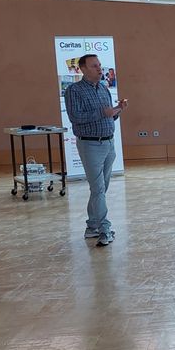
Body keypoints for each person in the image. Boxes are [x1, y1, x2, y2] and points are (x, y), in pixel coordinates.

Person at [64, 54, 128, 247]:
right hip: (90, 145)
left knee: (101, 189)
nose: (100, 69)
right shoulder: (74, 90)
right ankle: (104, 229)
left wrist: (117, 110)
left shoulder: (103, 88)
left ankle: (92, 225)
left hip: (109, 143)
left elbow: (109, 118)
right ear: (83, 69)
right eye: (94, 66)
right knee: (98, 189)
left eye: (100, 65)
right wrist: (104, 112)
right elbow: (76, 117)